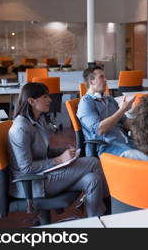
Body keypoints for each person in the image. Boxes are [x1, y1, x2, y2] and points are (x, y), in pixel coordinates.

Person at [8, 82, 109, 217]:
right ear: (31, 101)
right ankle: (111, 208)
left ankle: (95, 221)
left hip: (45, 174)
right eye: (45, 97)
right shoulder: (20, 129)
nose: (50, 100)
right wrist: (59, 159)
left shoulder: (39, 119)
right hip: (34, 183)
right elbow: (26, 168)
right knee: (93, 161)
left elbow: (44, 152)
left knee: (93, 179)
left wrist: (64, 152)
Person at [77, 66, 136, 157]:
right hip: (106, 147)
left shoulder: (109, 99)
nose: (105, 80)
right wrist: (122, 110)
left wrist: (145, 127)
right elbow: (99, 130)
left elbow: (125, 122)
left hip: (125, 141)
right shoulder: (86, 103)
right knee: (140, 157)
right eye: (101, 77)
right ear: (91, 81)